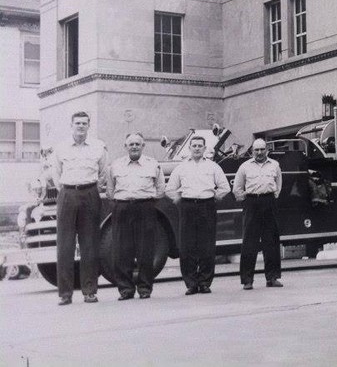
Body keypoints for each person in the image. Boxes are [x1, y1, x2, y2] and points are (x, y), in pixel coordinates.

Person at [51, 111, 108, 306]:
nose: (81, 126)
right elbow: (56, 173)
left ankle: (90, 291)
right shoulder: (61, 148)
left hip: (90, 194)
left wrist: (91, 189)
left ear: (89, 126)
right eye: (77, 123)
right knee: (65, 245)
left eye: (84, 123)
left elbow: (103, 172)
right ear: (71, 125)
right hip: (67, 194)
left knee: (90, 245)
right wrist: (67, 191)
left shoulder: (98, 147)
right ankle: (65, 294)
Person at [165, 135, 230, 294]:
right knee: (187, 246)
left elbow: (225, 187)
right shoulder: (181, 168)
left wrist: (215, 197)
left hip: (207, 206)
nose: (197, 148)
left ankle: (205, 282)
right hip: (187, 207)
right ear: (189, 148)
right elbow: (170, 188)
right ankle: (191, 284)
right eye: (194, 146)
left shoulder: (213, 167)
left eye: (200, 146)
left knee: (207, 246)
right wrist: (178, 199)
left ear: (205, 148)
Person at [106, 133, 165, 300]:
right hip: (122, 208)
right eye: (131, 144)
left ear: (143, 146)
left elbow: (160, 190)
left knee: (145, 249)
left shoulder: (153, 165)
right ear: (125, 147)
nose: (134, 147)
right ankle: (125, 289)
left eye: (137, 144)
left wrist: (145, 201)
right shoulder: (115, 166)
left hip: (145, 208)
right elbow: (110, 191)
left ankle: (145, 288)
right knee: (121, 250)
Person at [233, 138, 283, 289]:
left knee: (271, 241)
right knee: (249, 242)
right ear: (252, 151)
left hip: (269, 203)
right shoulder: (244, 167)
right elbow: (237, 188)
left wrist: (273, 196)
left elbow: (279, 184)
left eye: (262, 149)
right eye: (256, 150)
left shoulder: (275, 165)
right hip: (251, 203)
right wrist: (246, 200)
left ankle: (272, 278)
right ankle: (247, 280)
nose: (259, 152)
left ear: (267, 150)